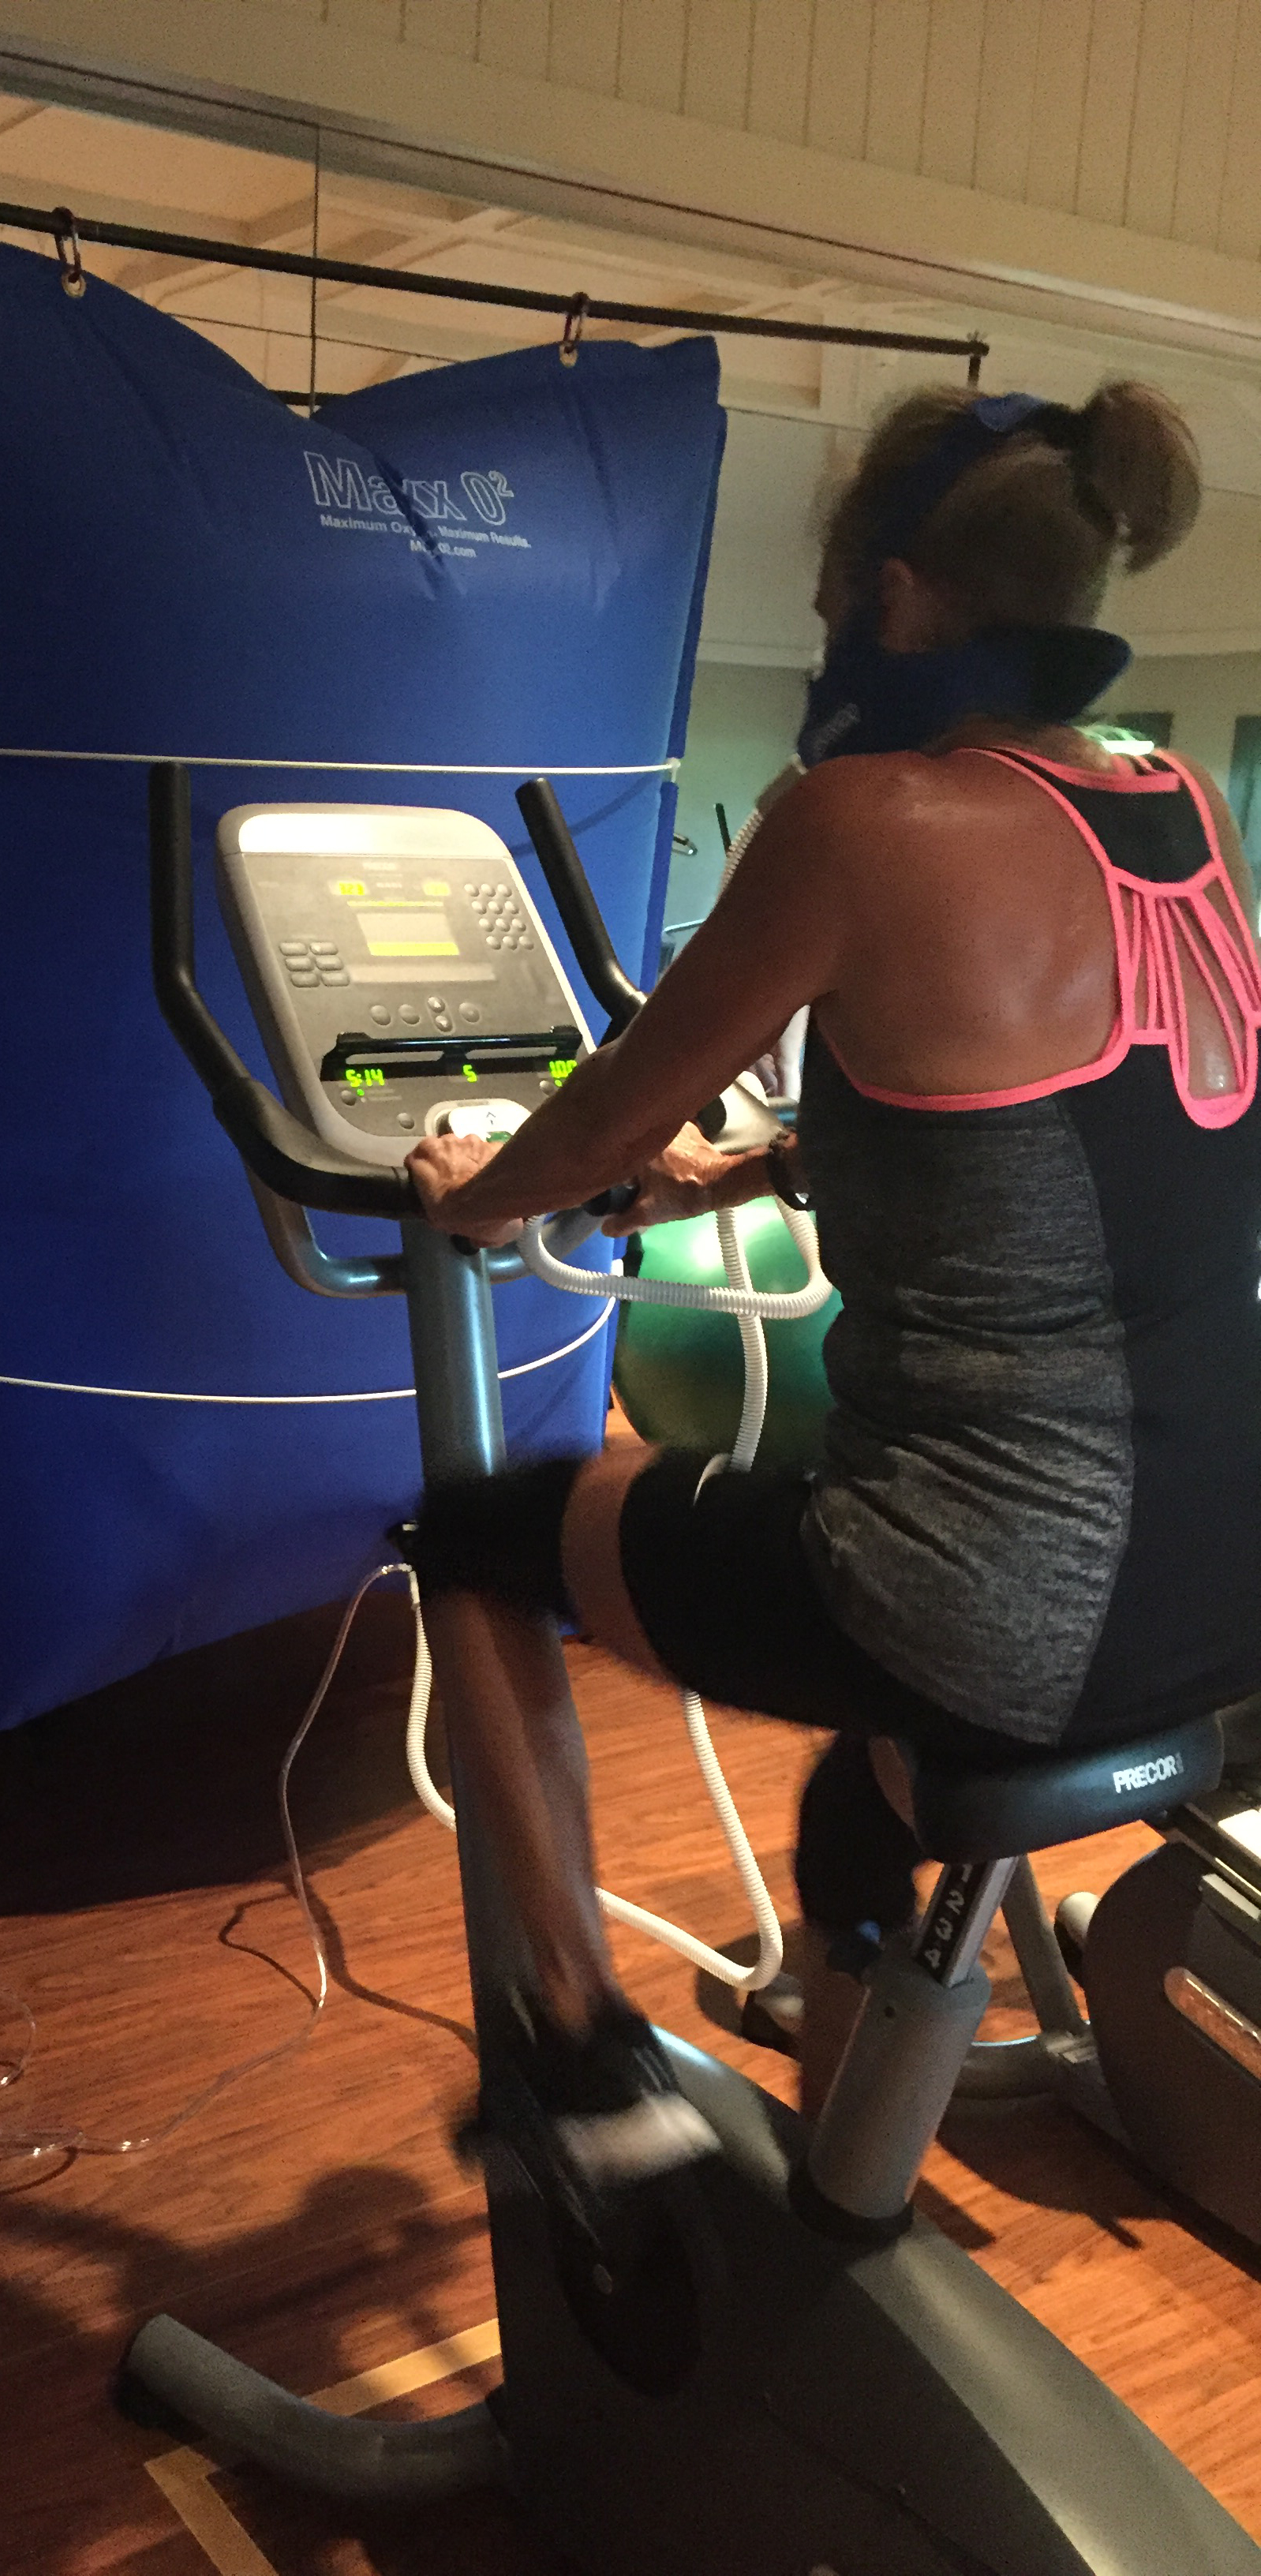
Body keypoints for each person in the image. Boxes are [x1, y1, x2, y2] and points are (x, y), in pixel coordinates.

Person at [402, 381, 1261, 2176]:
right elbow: (1071, 1119)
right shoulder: (1180, 807)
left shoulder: (857, 817)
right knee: (853, 1800)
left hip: (990, 1604)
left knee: (477, 1537)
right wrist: (755, 1167)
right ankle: (834, 2150)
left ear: (895, 598)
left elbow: (598, 1119)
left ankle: (573, 2051)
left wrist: (483, 1198)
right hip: (1224, 1585)